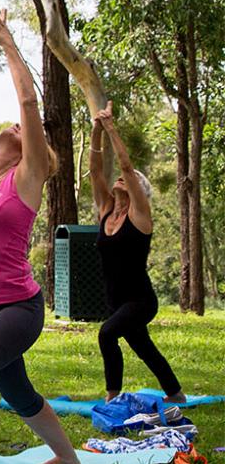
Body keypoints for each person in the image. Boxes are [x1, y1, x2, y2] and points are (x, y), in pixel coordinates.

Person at [0, 11, 79, 464]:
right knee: (18, 391)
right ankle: (67, 460)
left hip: (16, 307)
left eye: (27, 132)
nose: (16, 124)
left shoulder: (27, 179)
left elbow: (28, 101)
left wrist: (7, 42)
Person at [89, 102, 185, 404]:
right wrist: (95, 132)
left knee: (106, 335)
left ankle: (112, 396)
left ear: (139, 191)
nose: (120, 177)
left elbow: (127, 167)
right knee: (144, 348)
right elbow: (94, 171)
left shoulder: (140, 216)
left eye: (128, 179)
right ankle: (176, 393)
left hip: (140, 300)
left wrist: (110, 128)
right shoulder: (106, 211)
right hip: (115, 300)